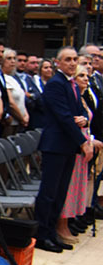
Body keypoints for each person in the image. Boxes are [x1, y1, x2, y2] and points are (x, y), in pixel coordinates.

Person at [34, 47, 91, 253]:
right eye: (68, 59)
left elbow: (77, 112)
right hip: (55, 145)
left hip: (67, 145)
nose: (72, 63)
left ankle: (51, 233)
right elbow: (64, 117)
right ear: (58, 62)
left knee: (60, 193)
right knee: (49, 192)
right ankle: (42, 234)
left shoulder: (71, 84)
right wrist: (83, 142)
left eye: (75, 59)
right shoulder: (56, 84)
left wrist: (83, 119)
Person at [60, 66, 99, 241]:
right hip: (76, 144)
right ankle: (62, 224)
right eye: (81, 75)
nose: (85, 78)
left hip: (85, 143)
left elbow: (86, 119)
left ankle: (73, 218)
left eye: (86, 75)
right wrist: (86, 142)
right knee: (70, 186)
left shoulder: (84, 98)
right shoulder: (73, 97)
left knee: (80, 184)